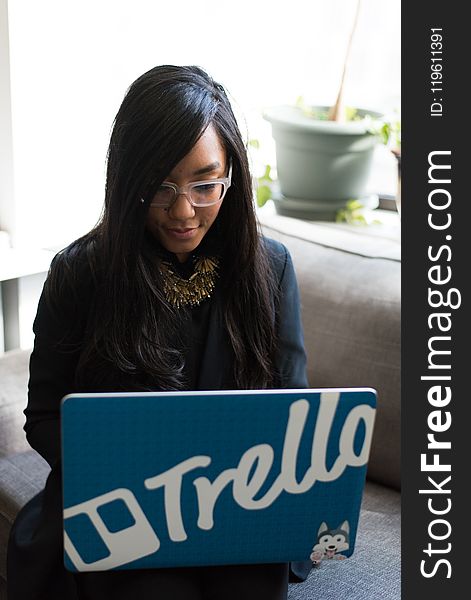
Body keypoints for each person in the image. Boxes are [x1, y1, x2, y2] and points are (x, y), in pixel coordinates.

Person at [7, 65, 310, 600]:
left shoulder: (271, 268)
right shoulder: (82, 273)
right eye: (160, 186)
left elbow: (295, 412)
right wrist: (134, 476)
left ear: (232, 177)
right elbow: (45, 417)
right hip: (123, 510)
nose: (183, 210)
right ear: (128, 180)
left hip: (241, 508)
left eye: (205, 184)